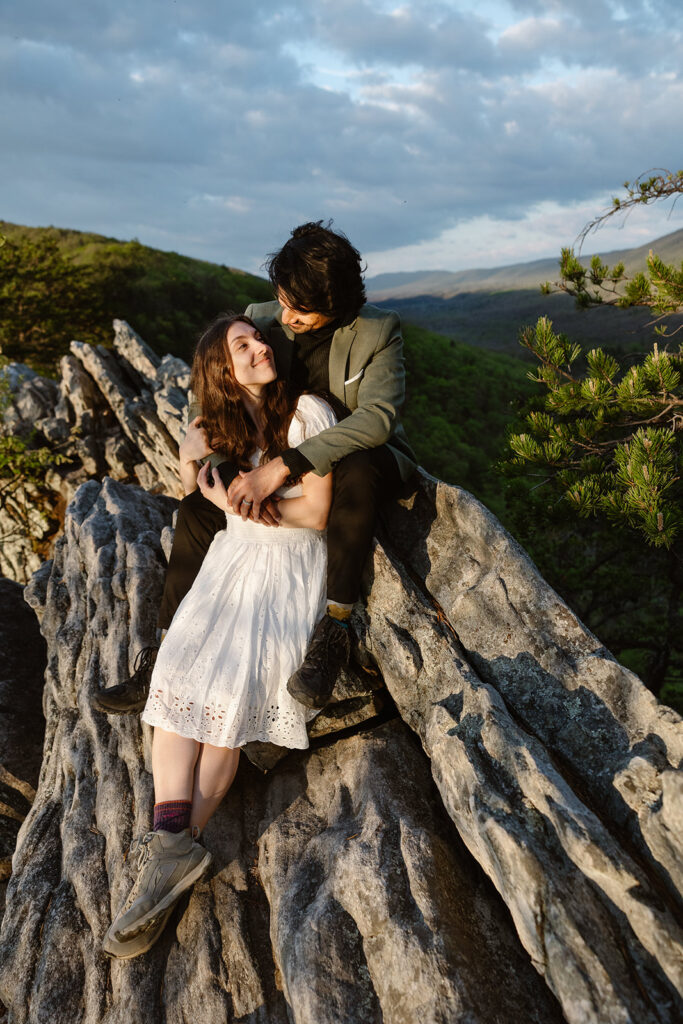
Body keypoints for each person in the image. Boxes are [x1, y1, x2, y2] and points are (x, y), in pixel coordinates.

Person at [93, 220, 417, 717]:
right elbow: (222, 399)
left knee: (356, 464)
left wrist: (281, 470)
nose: (284, 316)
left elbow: (376, 420)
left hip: (352, 460)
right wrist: (219, 468)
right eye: (282, 299)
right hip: (269, 460)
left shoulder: (377, 330)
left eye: (298, 308)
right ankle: (162, 653)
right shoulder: (261, 318)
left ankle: (336, 628)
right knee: (199, 510)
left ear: (338, 302)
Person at [104, 312, 336, 958]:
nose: (261, 345)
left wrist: (252, 503)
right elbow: (193, 482)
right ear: (222, 373)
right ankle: (173, 845)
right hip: (232, 560)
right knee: (176, 678)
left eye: (258, 338)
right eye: (243, 346)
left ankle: (166, 860)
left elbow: (316, 512)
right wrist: (199, 466)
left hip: (284, 567)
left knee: (222, 706)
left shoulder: (306, 413)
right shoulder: (227, 428)